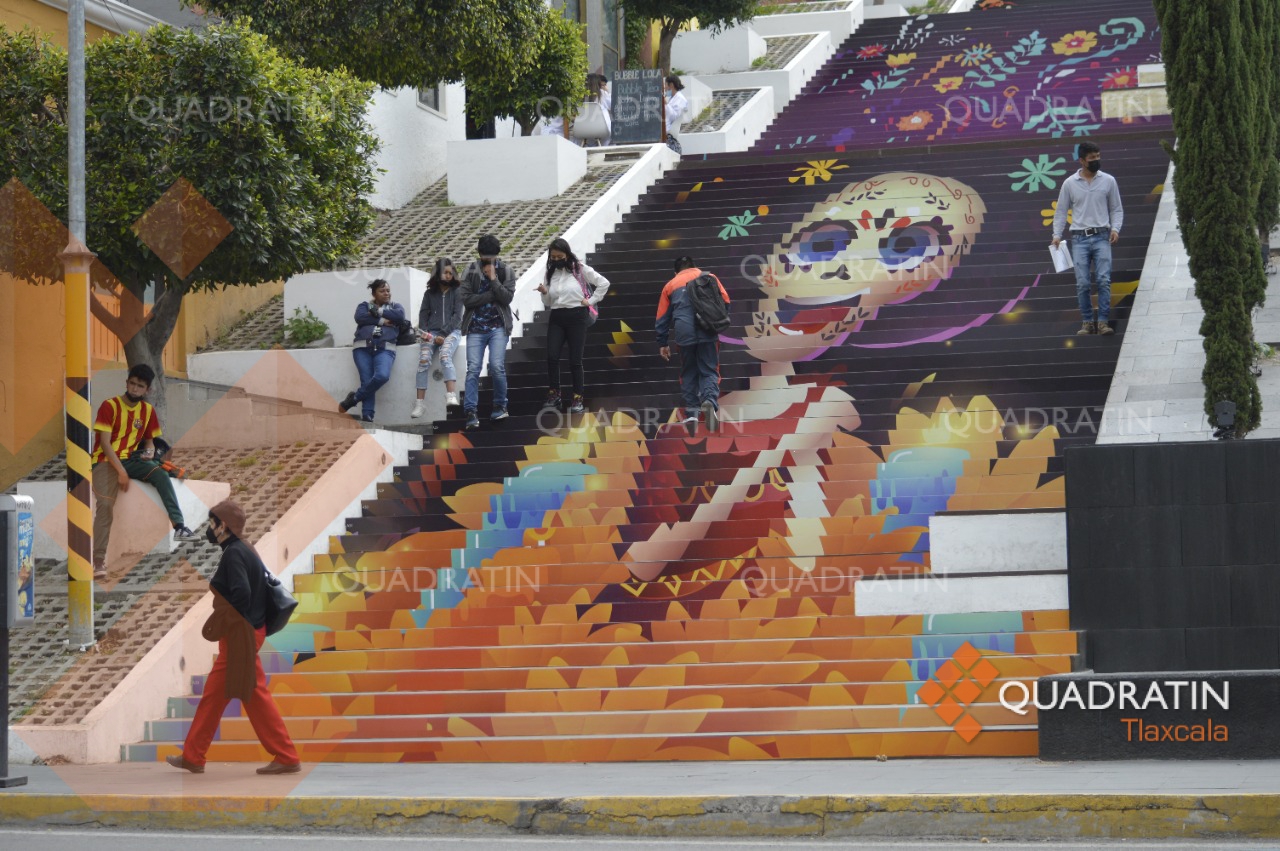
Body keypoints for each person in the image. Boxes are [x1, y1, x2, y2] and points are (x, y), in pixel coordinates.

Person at [166, 500, 302, 776]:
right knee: (218, 694)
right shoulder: (244, 549)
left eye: (213, 523)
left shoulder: (234, 553)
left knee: (251, 695)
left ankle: (287, 756)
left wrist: (223, 621)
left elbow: (241, 594)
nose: (210, 529)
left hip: (241, 635)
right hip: (247, 632)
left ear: (223, 525)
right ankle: (193, 755)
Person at [91, 364, 196, 580]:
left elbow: (149, 442)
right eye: (132, 383)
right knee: (106, 505)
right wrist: (121, 472)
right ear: (126, 383)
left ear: (147, 389)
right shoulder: (109, 406)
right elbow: (104, 443)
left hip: (132, 459)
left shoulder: (147, 411)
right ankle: (98, 561)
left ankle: (179, 526)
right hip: (105, 460)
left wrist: (149, 453)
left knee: (160, 472)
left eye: (140, 386)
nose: (135, 388)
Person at [1052, 140, 1124, 336]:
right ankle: (1086, 322)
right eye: (1092, 158)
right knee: (1083, 282)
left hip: (1102, 236)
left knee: (1103, 279)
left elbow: (1116, 208)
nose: (1096, 161)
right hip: (1079, 238)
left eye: (1098, 157)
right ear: (1082, 160)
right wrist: (1056, 235)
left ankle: (1102, 322)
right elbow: (1060, 211)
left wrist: (1115, 229)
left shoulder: (1108, 180)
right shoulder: (1069, 183)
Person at [537, 237, 611, 414]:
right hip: (557, 315)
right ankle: (554, 394)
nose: (556, 260)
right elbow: (548, 301)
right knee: (552, 356)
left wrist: (591, 300)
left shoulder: (579, 268)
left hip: (577, 315)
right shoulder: (550, 273)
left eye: (559, 256)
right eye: (553, 257)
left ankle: (578, 397)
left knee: (575, 360)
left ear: (567, 254)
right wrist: (545, 292)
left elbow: (603, 283)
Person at [655, 256, 730, 431]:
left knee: (688, 371)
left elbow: (661, 317)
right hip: (708, 330)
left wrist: (662, 342)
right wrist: (717, 322)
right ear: (695, 266)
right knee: (709, 369)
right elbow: (726, 302)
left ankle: (691, 414)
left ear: (676, 272)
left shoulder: (670, 285)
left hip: (684, 333)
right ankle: (709, 401)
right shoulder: (710, 277)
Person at [460, 234, 516, 430]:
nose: (489, 261)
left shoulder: (506, 271)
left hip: (498, 326)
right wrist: (491, 295)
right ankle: (470, 411)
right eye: (485, 257)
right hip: (475, 327)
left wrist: (493, 279)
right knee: (473, 368)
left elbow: (507, 298)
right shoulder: (470, 270)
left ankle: (500, 405)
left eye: (492, 257)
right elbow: (466, 299)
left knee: (496, 366)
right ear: (479, 254)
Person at [339, 279, 409, 422]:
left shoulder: (396, 306)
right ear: (374, 293)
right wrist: (382, 320)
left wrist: (378, 311)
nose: (386, 293)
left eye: (388, 290)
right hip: (362, 348)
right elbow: (360, 317)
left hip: (385, 349)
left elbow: (400, 317)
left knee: (382, 376)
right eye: (382, 291)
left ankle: (354, 399)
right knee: (366, 381)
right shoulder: (364, 306)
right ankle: (368, 415)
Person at [413, 259, 463, 418]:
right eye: (445, 273)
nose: (448, 276)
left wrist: (443, 334)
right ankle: (419, 404)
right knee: (423, 360)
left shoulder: (457, 292)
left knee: (445, 355)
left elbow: (457, 317)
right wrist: (426, 334)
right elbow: (423, 314)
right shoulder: (429, 294)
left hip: (452, 332)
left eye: (450, 273)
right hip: (431, 333)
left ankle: (451, 395)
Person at [664, 75, 688, 154]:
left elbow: (674, 116)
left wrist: (666, 104)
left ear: (671, 85)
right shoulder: (672, 98)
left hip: (670, 136)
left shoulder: (680, 99)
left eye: (666, 85)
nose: (665, 88)